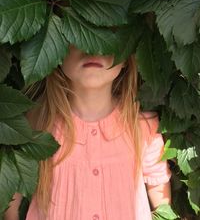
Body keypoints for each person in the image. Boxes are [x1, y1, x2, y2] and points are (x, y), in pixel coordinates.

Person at [4, 45, 171, 220]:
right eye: (78, 34)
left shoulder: (143, 127)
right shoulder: (36, 125)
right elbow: (16, 188)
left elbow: (159, 191)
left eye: (107, 34)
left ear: (125, 60)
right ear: (57, 54)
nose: (93, 48)